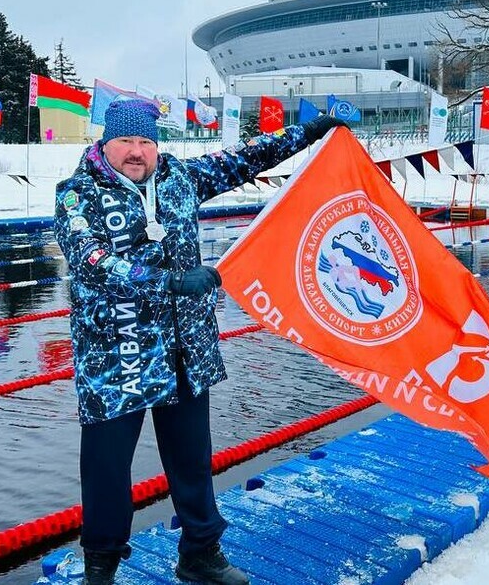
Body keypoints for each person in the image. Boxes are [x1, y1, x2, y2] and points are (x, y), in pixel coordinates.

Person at [54, 99, 347, 585]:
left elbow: (249, 156)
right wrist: (166, 282)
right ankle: (100, 569)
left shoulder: (179, 178)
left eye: (146, 141)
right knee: (106, 470)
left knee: (192, 460)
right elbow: (89, 256)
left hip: (185, 349)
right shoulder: (76, 193)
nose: (137, 151)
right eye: (126, 141)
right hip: (116, 357)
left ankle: (200, 554)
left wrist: (310, 131)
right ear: (105, 143)